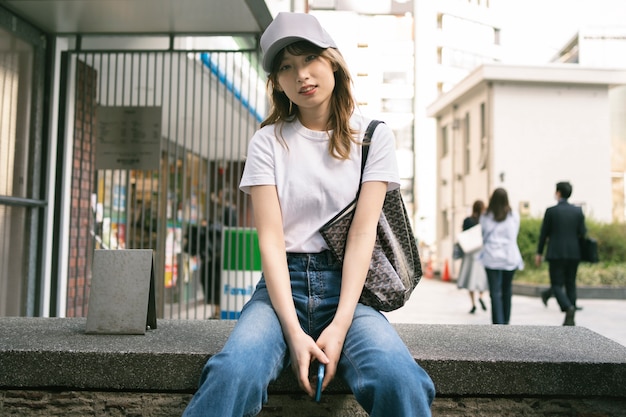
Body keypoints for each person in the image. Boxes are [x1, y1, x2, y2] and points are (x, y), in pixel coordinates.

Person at [182, 12, 435, 417]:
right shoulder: (268, 141)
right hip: (282, 288)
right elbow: (271, 240)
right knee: (234, 373)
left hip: (349, 289)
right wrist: (295, 333)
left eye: (309, 59)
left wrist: (338, 325)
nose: (301, 74)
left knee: (399, 379)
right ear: (277, 82)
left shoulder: (372, 137)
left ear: (332, 60)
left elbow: (361, 236)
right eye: (286, 67)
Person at [535, 181, 587, 326]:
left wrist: (539, 253)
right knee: (571, 283)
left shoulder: (551, 211)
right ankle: (571, 317)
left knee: (557, 284)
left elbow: (543, 235)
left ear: (558, 193)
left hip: (555, 253)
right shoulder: (578, 211)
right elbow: (583, 233)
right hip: (574, 253)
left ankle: (567, 307)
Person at [479, 188, 524, 325]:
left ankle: (497, 322)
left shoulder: (486, 216)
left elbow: (483, 234)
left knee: (495, 292)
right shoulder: (513, 215)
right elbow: (514, 235)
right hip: (509, 256)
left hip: (492, 256)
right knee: (507, 289)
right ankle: (506, 321)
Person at [456, 200, 488, 314]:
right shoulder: (485, 221)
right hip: (481, 252)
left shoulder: (468, 220)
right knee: (481, 278)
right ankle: (481, 296)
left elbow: (463, 235)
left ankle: (473, 303)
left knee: (470, 279)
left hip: (469, 253)